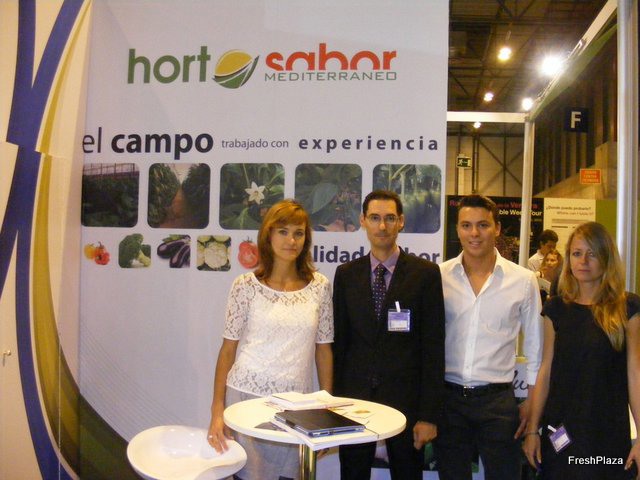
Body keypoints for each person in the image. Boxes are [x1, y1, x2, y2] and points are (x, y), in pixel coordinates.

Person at [206, 199, 333, 480]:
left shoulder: (320, 287)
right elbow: (227, 350)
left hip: (297, 406)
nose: (291, 240)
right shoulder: (245, 286)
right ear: (268, 235)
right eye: (283, 232)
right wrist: (217, 411)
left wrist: (326, 407)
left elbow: (323, 350)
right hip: (245, 399)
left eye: (298, 233)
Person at [333, 189, 445, 480]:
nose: (382, 226)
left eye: (390, 218)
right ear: (363, 221)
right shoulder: (346, 275)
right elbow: (340, 346)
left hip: (407, 405)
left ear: (401, 221)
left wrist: (428, 416)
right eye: (374, 218)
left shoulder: (425, 274)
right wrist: (334, 407)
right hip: (355, 403)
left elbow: (433, 349)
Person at [435, 194, 543, 480]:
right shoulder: (438, 276)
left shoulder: (523, 281)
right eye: (466, 225)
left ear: (497, 228)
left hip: (498, 403)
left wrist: (532, 404)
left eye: (483, 225)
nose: (474, 233)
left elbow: (536, 349)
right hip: (448, 401)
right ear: (457, 229)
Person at [523, 222, 640, 479]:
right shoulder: (555, 309)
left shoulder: (627, 308)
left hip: (608, 429)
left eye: (592, 253)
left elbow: (635, 373)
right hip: (561, 429)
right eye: (577, 253)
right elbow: (546, 370)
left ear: (606, 258)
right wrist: (532, 430)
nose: (583, 261)